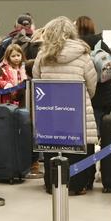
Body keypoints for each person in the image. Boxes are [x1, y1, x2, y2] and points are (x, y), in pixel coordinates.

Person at [32, 17, 99, 193]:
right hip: (77, 111)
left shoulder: (42, 55)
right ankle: (78, 185)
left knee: (51, 145)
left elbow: (37, 79)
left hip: (50, 110)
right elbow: (92, 85)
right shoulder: (83, 54)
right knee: (79, 147)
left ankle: (52, 183)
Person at [75, 16, 111, 137]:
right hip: (106, 93)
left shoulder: (76, 45)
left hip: (86, 96)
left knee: (87, 133)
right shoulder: (100, 43)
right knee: (105, 133)